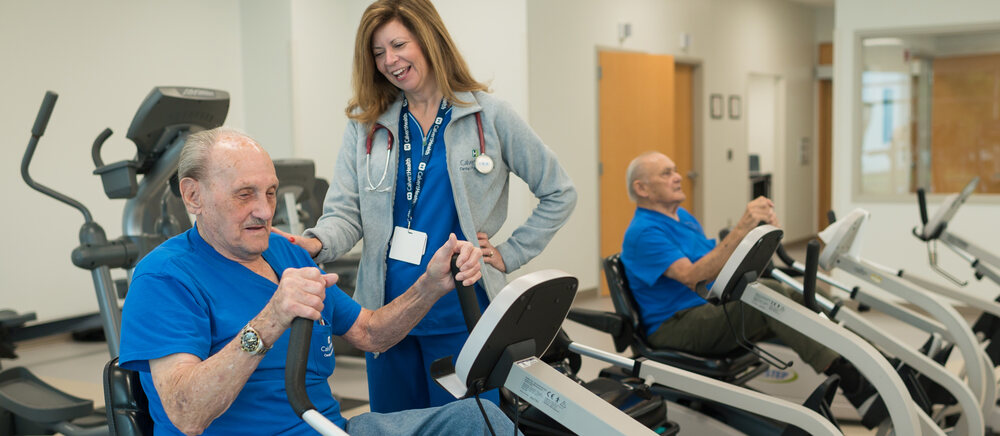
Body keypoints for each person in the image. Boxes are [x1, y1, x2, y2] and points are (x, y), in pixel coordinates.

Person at [272, 0, 576, 413]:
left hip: (463, 312)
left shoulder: (488, 116)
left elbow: (559, 191)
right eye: (378, 53)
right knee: (394, 425)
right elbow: (345, 213)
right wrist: (315, 243)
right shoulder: (368, 125)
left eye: (398, 45)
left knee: (466, 423)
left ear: (429, 38)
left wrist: (509, 253)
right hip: (385, 317)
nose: (389, 61)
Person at [118, 127, 516, 435]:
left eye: (271, 193)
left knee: (479, 420)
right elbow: (187, 414)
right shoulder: (164, 277)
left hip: (331, 429)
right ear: (193, 197)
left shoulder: (284, 251)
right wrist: (271, 319)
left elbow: (370, 332)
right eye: (245, 194)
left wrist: (430, 285)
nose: (264, 210)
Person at [620, 151, 881, 420]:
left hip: (705, 307)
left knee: (796, 294)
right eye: (666, 173)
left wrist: (760, 236)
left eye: (675, 170)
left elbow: (719, 265)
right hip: (675, 324)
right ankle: (855, 384)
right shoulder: (643, 231)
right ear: (642, 188)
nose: (677, 177)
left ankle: (877, 364)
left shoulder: (682, 217)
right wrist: (742, 229)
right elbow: (693, 277)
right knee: (767, 298)